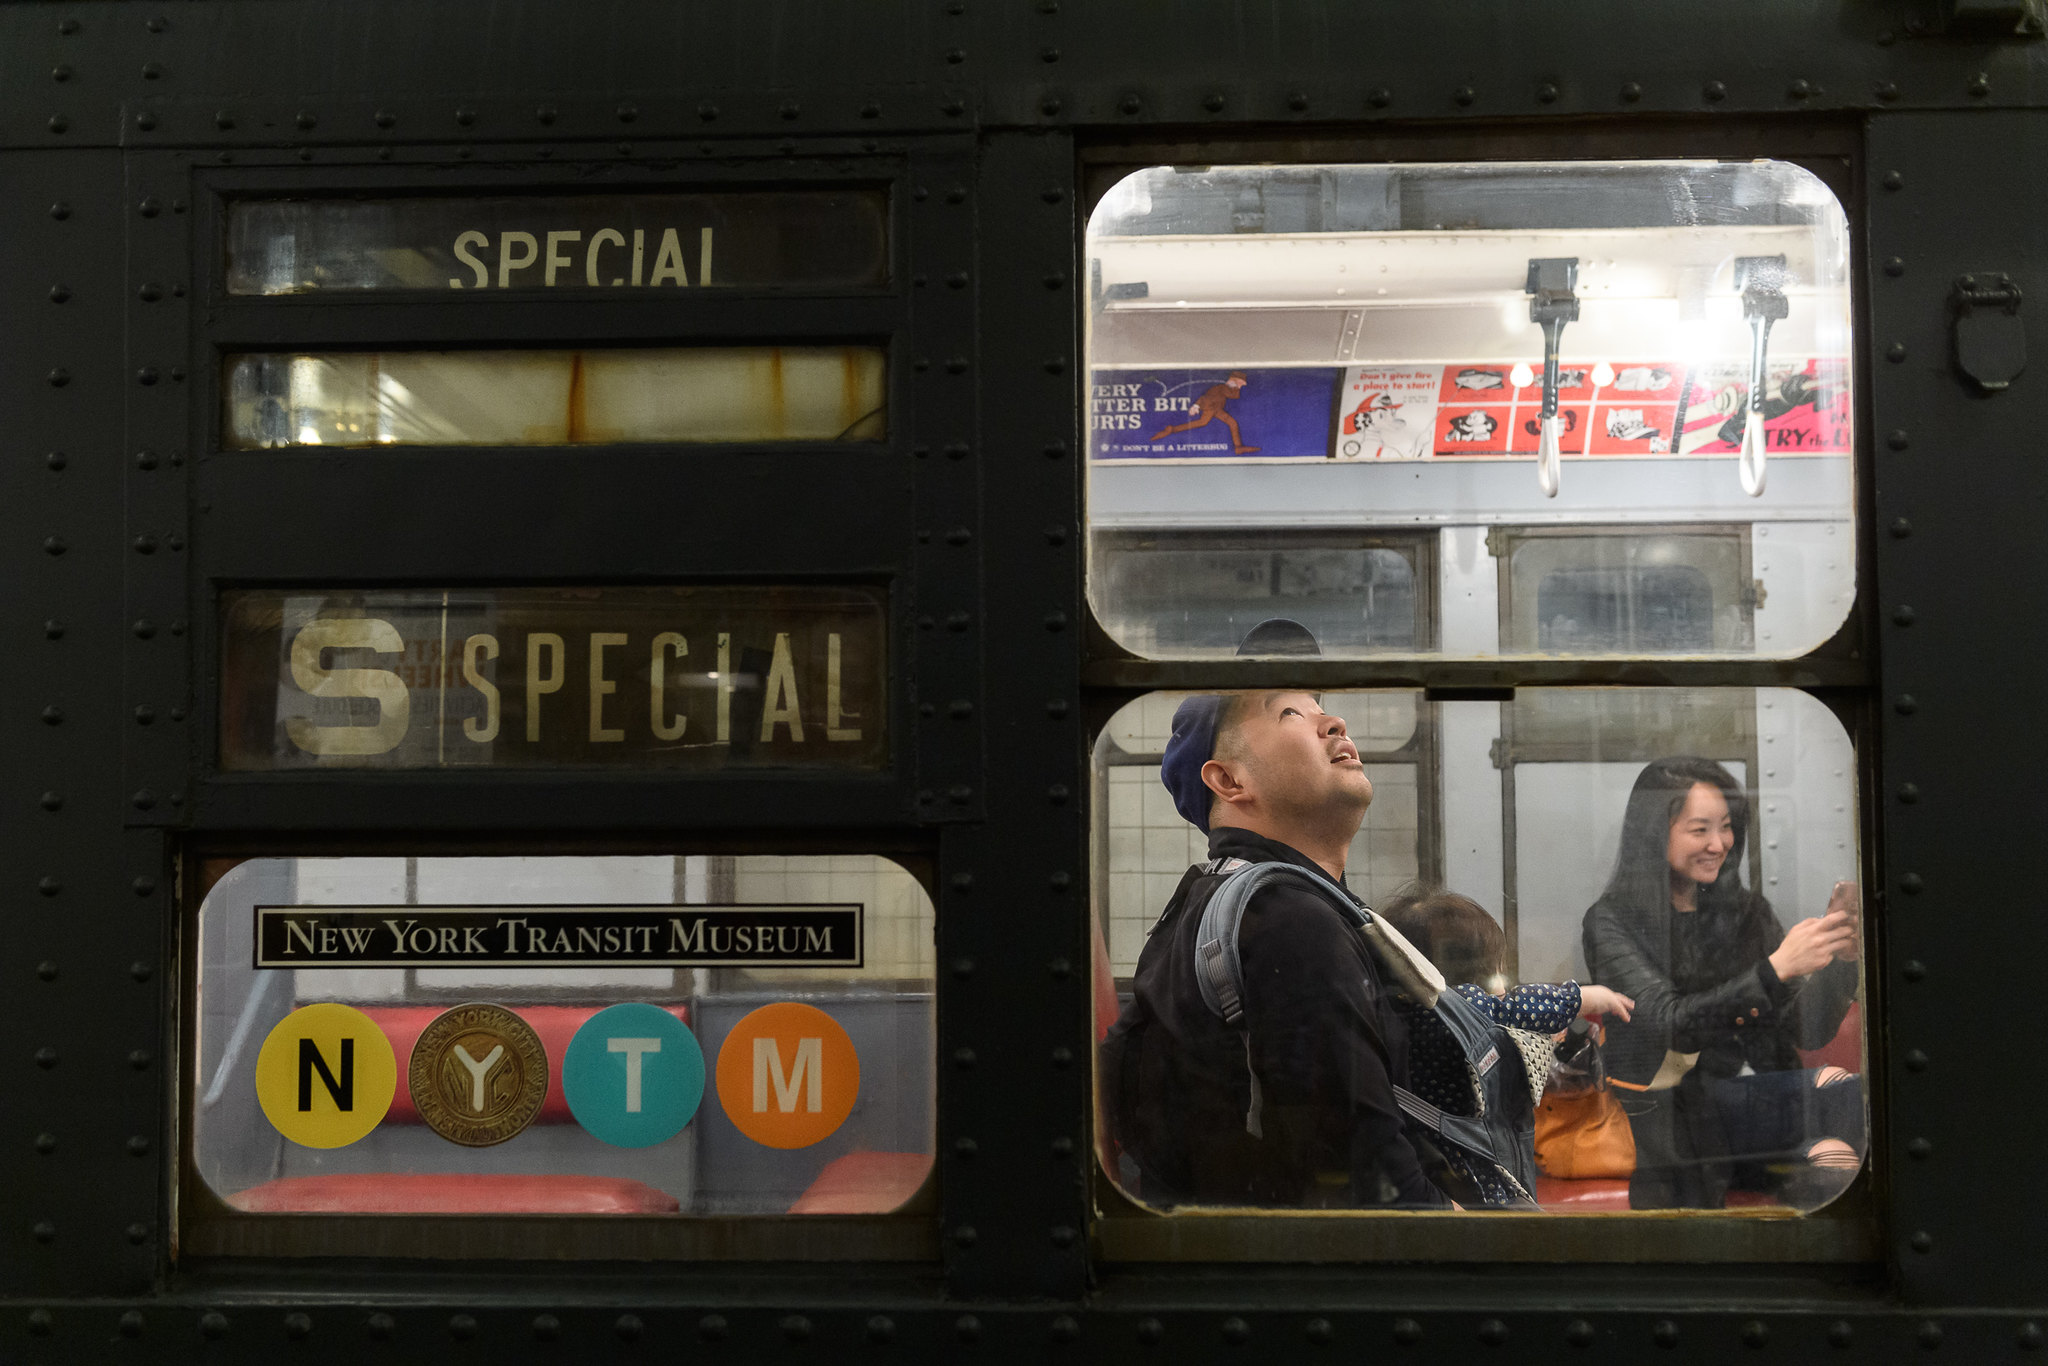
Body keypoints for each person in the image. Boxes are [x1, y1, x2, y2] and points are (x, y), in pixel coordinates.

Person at [1101, 692, 1448, 1208]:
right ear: (1229, 781)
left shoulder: (1213, 900)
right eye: (1291, 714)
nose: (1334, 722)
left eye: (1320, 708)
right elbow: (1370, 1176)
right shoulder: (1289, 922)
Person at [1581, 757, 1862, 1209]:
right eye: (1700, 830)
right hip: (1673, 1114)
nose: (1719, 844)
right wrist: (1775, 969)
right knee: (1835, 1095)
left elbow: (1804, 1032)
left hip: (1748, 1105)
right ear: (1656, 833)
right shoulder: (1612, 921)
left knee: (1841, 1129)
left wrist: (1841, 962)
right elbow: (1672, 1023)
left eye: (1727, 827)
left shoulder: (1746, 912)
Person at [1377, 885, 1634, 1205]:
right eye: (1495, 969)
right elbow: (1516, 1007)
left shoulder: (1393, 1010)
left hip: (1425, 1154)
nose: (1502, 982)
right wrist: (1586, 997)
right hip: (1467, 1163)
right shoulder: (1453, 1009)